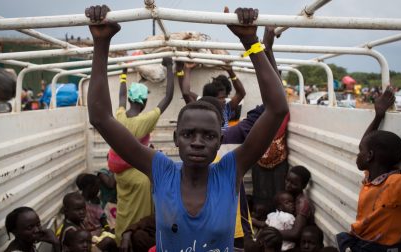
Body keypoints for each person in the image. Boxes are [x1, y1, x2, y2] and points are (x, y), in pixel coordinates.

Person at [86, 4, 288, 251]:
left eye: (209, 135)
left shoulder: (230, 171)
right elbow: (101, 118)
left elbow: (277, 108)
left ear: (219, 140)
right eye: (188, 134)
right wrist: (101, 43)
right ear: (175, 138)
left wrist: (251, 41)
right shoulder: (161, 170)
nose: (198, 141)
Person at [336, 87, 401, 252]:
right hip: (361, 241)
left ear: (369, 157)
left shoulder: (393, 183)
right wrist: (378, 116)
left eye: (361, 152)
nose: (358, 152)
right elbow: (365, 143)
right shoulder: (372, 176)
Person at [106, 58, 174, 243]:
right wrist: (170, 67)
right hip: (138, 176)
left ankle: (121, 240)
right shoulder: (145, 120)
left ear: (129, 100)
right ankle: (136, 241)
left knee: (125, 207)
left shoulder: (119, 116)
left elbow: (120, 96)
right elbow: (168, 97)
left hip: (120, 174)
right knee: (141, 211)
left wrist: (123, 72)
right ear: (144, 102)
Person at [251, 26, 290, 213]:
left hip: (278, 160)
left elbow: (276, 87)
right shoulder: (269, 109)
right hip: (260, 159)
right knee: (261, 198)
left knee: (277, 197)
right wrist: (267, 49)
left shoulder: (280, 108)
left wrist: (268, 49)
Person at [176, 54, 246, 130]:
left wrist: (230, 71)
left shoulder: (226, 109)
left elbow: (241, 93)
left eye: (224, 97)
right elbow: (186, 93)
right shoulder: (201, 112)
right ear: (210, 99)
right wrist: (187, 69)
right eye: (221, 98)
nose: (224, 100)